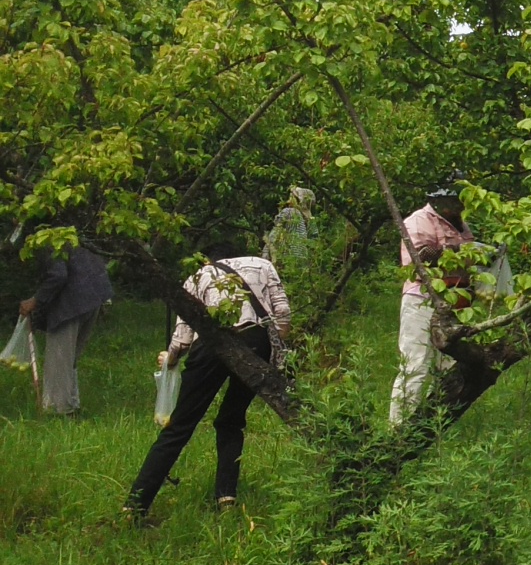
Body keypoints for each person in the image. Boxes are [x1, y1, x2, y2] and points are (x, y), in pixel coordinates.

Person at [124, 245, 290, 516]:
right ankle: (226, 497)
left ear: (208, 257)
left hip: (212, 344)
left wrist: (171, 358)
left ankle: (135, 504)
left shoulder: (199, 275)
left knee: (179, 427)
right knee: (231, 420)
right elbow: (283, 318)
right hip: (257, 342)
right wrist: (270, 352)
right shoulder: (263, 264)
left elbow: (183, 337)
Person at [388, 180, 475, 425]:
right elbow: (420, 259)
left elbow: (470, 261)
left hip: (455, 301)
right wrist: (458, 252)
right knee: (415, 363)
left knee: (448, 367)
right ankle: (399, 426)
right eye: (454, 200)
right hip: (422, 300)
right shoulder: (418, 222)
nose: (458, 205)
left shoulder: (461, 225)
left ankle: (433, 422)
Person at [18, 243, 112, 414]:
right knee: (70, 359)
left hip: (72, 301)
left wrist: (36, 300)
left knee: (59, 360)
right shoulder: (69, 224)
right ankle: (72, 406)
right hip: (94, 296)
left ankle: (59, 412)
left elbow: (57, 275)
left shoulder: (44, 236)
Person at [265, 186, 316, 267]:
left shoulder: (288, 212)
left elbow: (274, 234)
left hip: (287, 258)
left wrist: (266, 254)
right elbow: (314, 242)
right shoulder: (311, 220)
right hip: (303, 261)